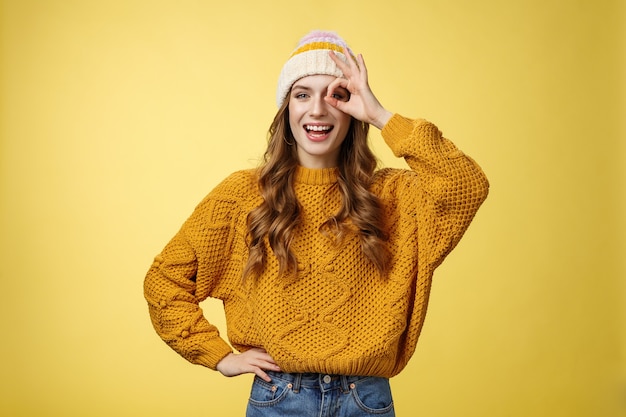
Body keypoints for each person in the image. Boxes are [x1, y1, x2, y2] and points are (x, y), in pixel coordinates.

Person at [144, 30, 489, 417]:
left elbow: (466, 184)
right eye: (302, 94)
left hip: (365, 400)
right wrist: (219, 356)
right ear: (286, 108)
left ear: (352, 110)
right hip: (279, 397)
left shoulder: (394, 196)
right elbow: (164, 280)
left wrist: (380, 115)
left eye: (336, 96)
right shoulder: (242, 195)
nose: (318, 110)